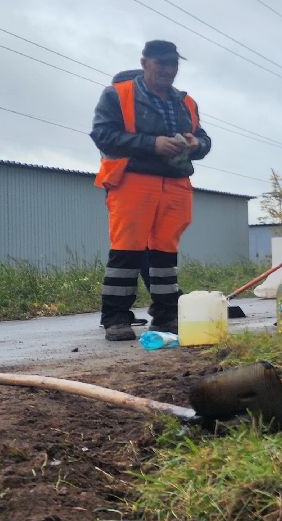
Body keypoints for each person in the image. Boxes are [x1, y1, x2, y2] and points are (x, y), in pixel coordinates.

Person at [90, 40, 211, 341]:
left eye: (173, 64)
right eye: (161, 64)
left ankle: (167, 316)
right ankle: (116, 318)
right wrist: (152, 143)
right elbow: (103, 135)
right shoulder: (118, 94)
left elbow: (205, 139)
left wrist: (197, 145)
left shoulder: (187, 102)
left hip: (175, 183)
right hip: (133, 180)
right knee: (126, 251)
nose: (168, 70)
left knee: (165, 254)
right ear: (145, 63)